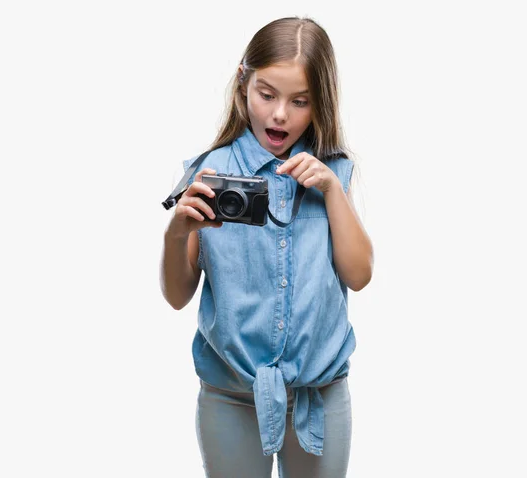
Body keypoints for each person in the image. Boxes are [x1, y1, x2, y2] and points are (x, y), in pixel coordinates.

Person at [160, 16, 374, 478]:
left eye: (300, 102)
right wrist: (178, 232)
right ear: (243, 84)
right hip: (230, 395)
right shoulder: (209, 173)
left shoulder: (333, 172)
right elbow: (178, 296)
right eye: (267, 94)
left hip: (321, 395)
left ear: (320, 104)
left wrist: (332, 192)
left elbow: (359, 274)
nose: (280, 115)